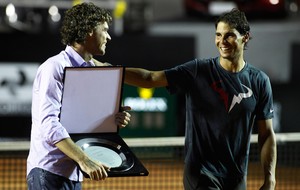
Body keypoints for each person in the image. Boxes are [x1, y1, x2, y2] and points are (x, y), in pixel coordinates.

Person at [124, 9, 277, 190]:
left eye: (229, 36)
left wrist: (270, 178)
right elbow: (149, 79)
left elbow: (266, 134)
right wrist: (111, 71)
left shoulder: (259, 81)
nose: (222, 41)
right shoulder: (198, 70)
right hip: (201, 174)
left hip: (236, 177)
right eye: (218, 35)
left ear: (245, 37)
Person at [26, 3, 131, 190]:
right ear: (89, 31)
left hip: (74, 174)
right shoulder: (54, 67)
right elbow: (49, 124)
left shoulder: (92, 71)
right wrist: (83, 159)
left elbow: (81, 119)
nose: (109, 36)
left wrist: (111, 119)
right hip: (48, 173)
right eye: (104, 30)